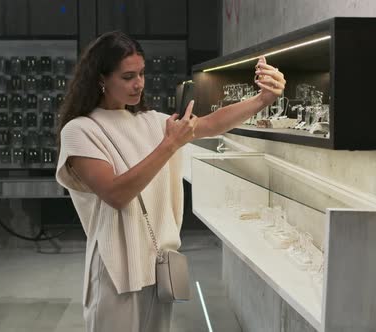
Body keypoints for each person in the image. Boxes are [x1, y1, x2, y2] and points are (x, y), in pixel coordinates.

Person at [55, 31, 286, 332]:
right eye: (127, 77)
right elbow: (115, 193)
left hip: (158, 264)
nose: (138, 84)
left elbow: (212, 123)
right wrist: (169, 145)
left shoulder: (149, 121)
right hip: (115, 270)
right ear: (101, 78)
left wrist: (262, 99)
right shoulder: (81, 130)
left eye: (141, 74)